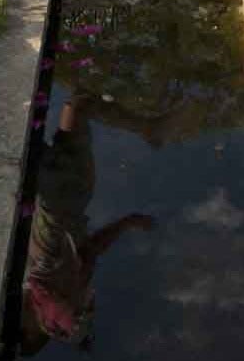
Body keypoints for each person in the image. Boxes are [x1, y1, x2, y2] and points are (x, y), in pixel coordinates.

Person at [16, 90, 157, 353]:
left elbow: (87, 256)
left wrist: (126, 223)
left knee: (75, 112)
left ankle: (148, 126)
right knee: (73, 115)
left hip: (61, 202)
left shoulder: (49, 306)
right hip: (62, 203)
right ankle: (147, 126)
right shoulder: (53, 314)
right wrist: (126, 223)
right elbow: (90, 251)